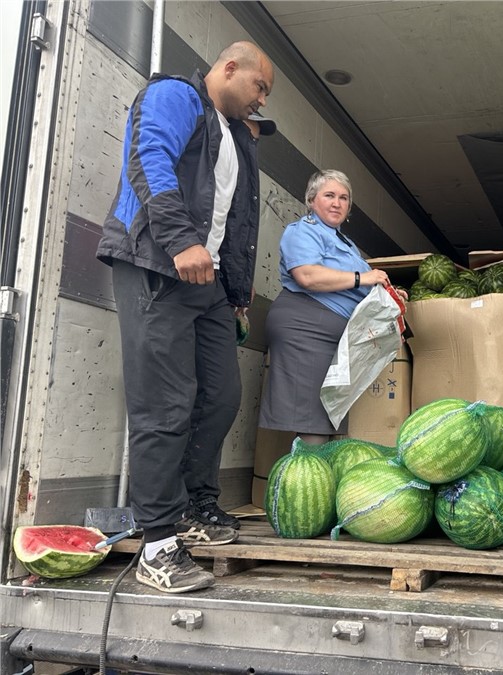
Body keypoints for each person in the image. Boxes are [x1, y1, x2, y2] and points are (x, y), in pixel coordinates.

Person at [96, 41, 275, 593]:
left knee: (220, 396)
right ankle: (156, 543)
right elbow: (148, 159)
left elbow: (233, 219)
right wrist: (179, 241)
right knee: (164, 404)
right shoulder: (175, 95)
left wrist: (236, 290)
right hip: (157, 264)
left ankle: (196, 506)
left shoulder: (235, 136)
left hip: (208, 284)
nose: (262, 99)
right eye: (260, 87)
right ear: (229, 68)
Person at [183, 111, 277, 529]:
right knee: (179, 400)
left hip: (219, 286)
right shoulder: (209, 150)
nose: (253, 136)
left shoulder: (244, 169)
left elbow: (234, 231)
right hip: (180, 276)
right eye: (248, 127)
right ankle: (174, 505)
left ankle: (200, 498)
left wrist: (239, 285)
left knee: (221, 397)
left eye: (257, 133)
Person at [258, 170, 396, 445]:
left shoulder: (345, 243)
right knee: (314, 422)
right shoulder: (303, 231)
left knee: (326, 420)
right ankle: (306, 474)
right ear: (311, 200)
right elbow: (307, 275)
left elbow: (360, 285)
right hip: (307, 327)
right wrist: (362, 278)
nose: (337, 203)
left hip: (331, 332)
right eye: (329, 195)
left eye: (344, 198)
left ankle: (314, 471)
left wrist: (387, 293)